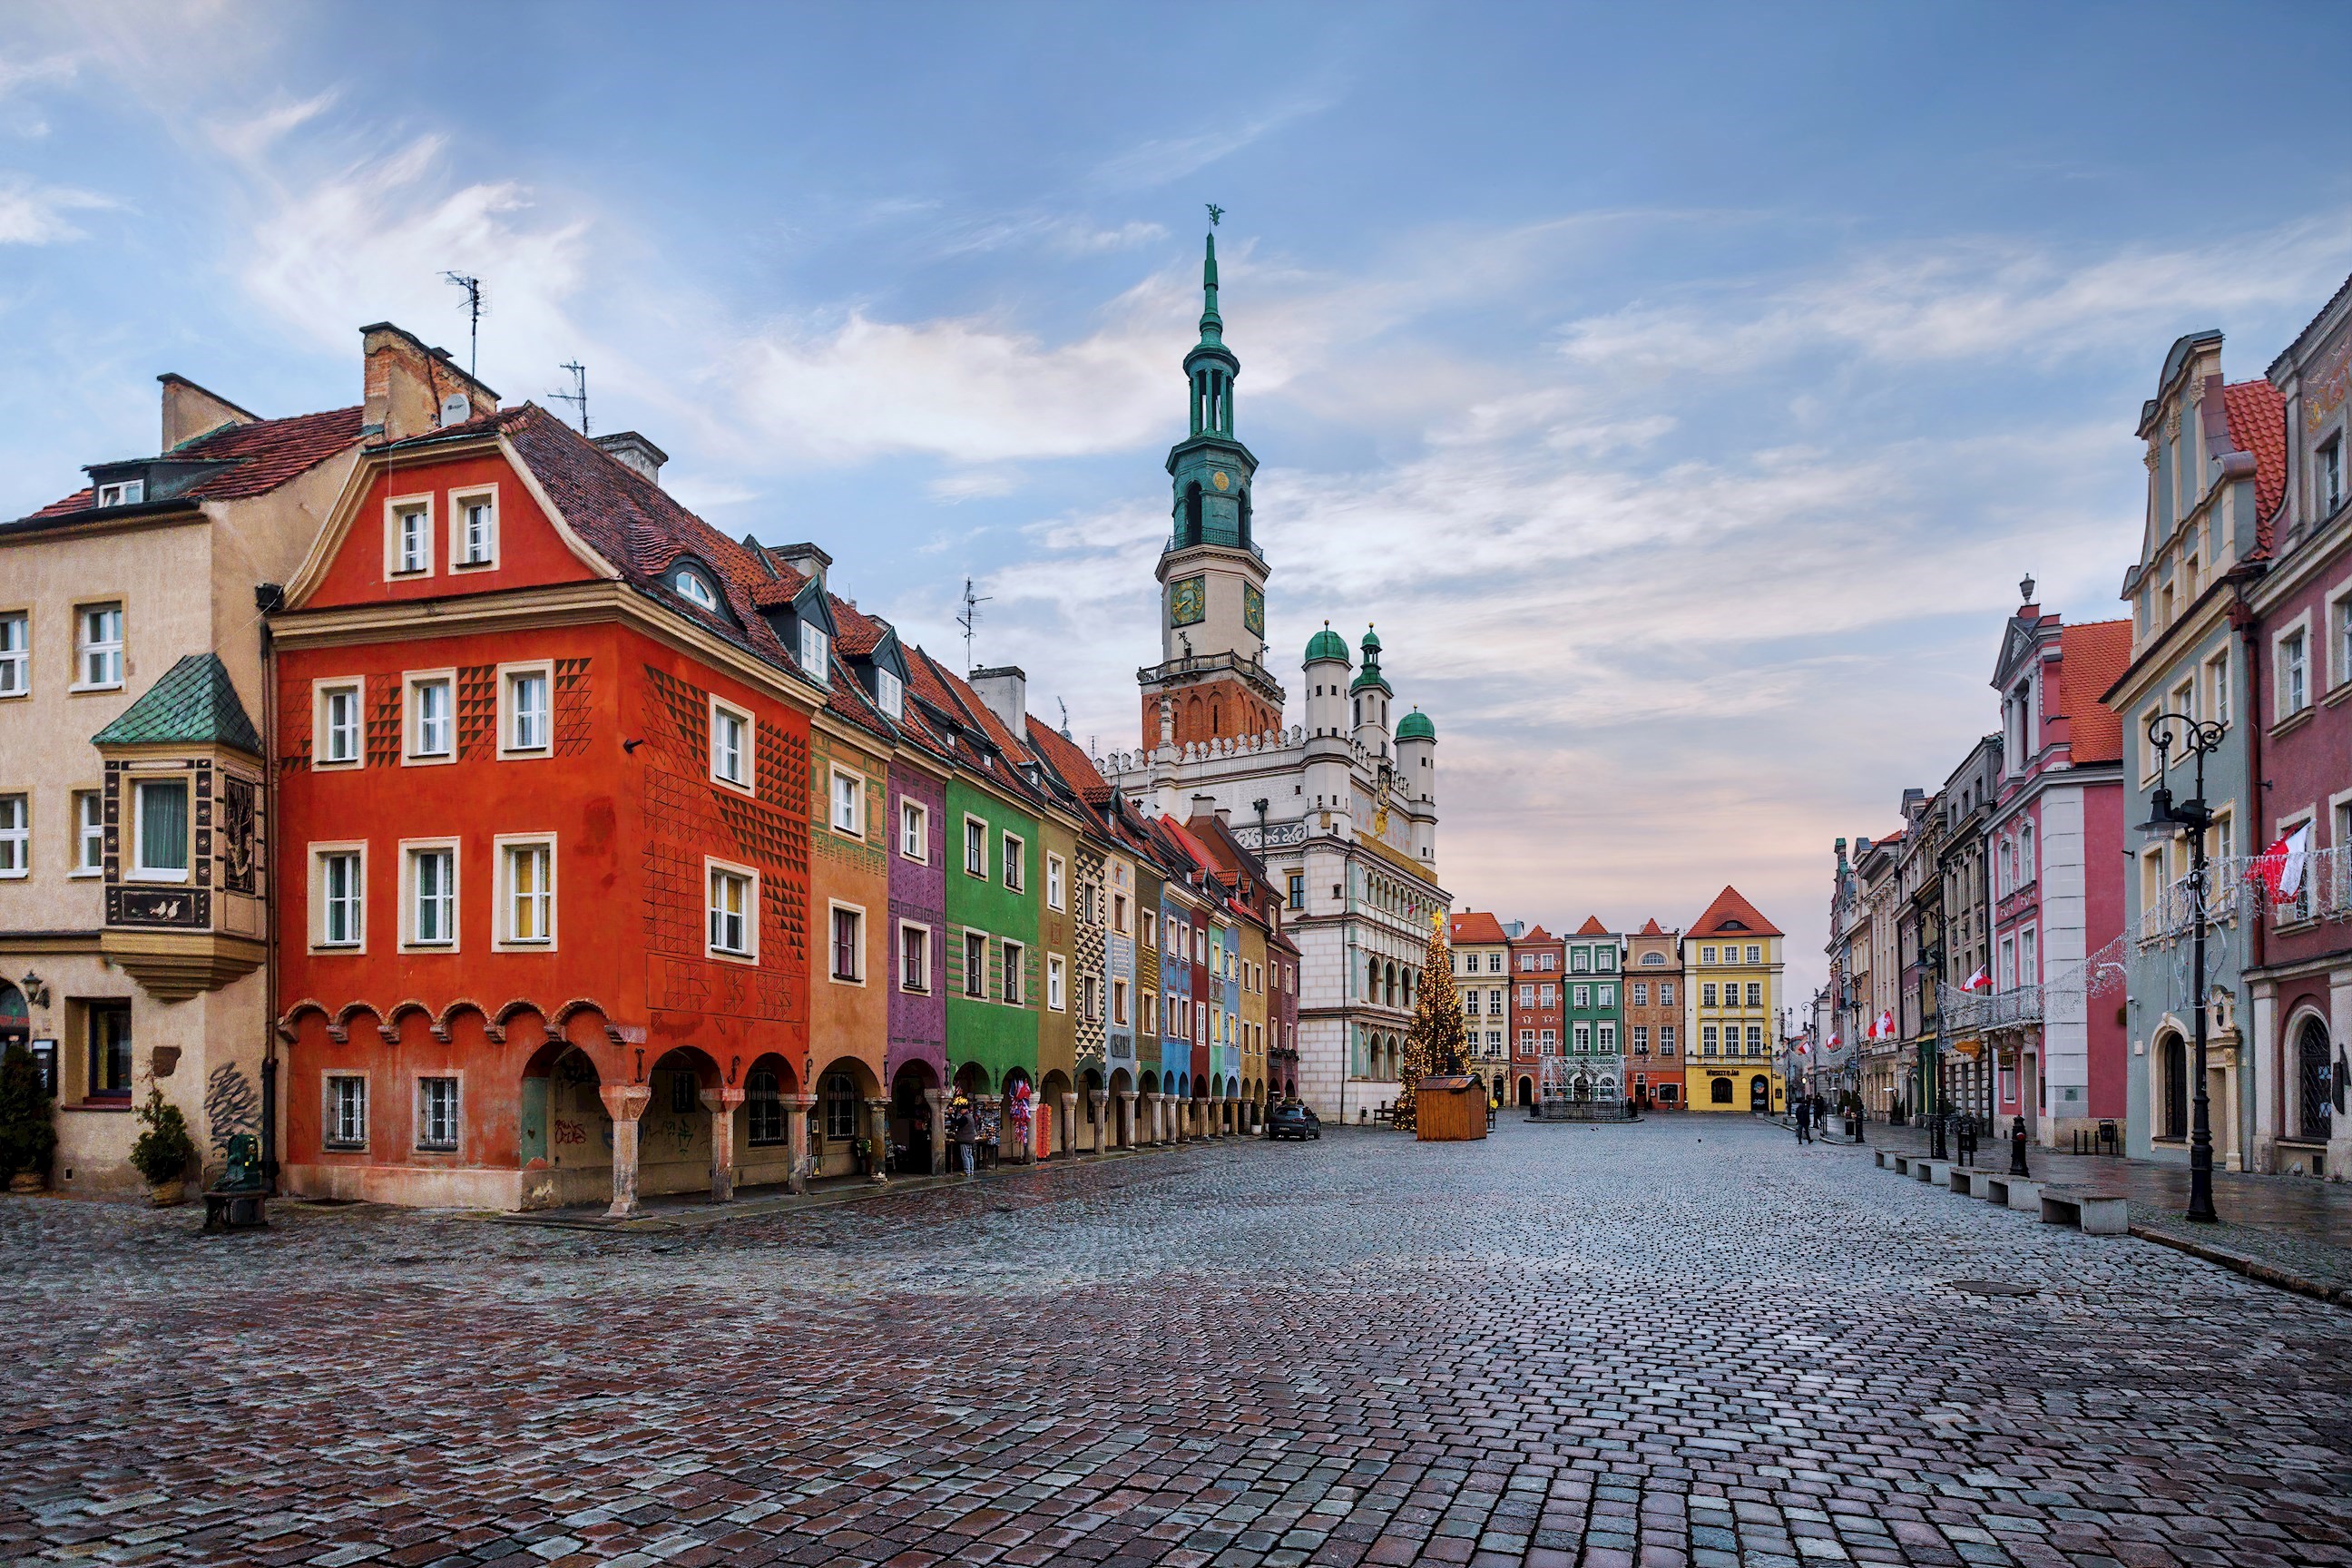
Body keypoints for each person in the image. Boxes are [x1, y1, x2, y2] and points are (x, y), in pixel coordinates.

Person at [948, 1095, 977, 1178]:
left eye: (961, 1110)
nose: (960, 1111)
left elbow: (957, 1123)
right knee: (969, 1155)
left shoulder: (965, 1118)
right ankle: (971, 1171)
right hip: (970, 1139)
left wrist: (951, 1116)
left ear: (964, 1110)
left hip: (965, 1139)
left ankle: (967, 1171)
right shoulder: (970, 1117)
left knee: (965, 1156)